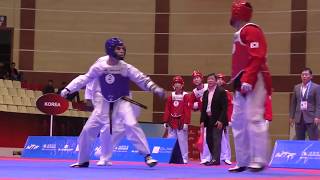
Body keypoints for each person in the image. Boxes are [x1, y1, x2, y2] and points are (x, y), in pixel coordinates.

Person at [60, 37, 165, 168]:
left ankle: (147, 155)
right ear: (110, 50)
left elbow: (141, 79)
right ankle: (83, 160)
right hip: (104, 103)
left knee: (131, 124)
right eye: (118, 48)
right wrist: (68, 88)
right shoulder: (100, 66)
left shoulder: (126, 67)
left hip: (122, 101)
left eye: (123, 48)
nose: (122, 51)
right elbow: (85, 78)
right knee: (87, 130)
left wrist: (154, 88)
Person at [228, 0, 272, 172]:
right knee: (237, 122)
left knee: (254, 118)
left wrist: (248, 78)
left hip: (254, 78)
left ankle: (259, 159)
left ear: (237, 14)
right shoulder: (241, 33)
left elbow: (257, 56)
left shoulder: (252, 30)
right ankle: (242, 160)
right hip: (241, 82)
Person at [200, 73, 228, 166]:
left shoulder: (221, 92)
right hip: (208, 119)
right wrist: (202, 121)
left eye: (212, 79)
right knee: (209, 139)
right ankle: (214, 157)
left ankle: (215, 160)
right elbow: (203, 108)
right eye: (208, 79)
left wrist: (221, 120)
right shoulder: (205, 93)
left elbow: (224, 108)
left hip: (217, 119)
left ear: (216, 81)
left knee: (216, 139)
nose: (210, 81)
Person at [163, 76, 190, 164]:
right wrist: (165, 121)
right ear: (173, 85)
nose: (177, 85)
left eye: (179, 83)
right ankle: (169, 157)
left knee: (182, 141)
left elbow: (187, 110)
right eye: (175, 83)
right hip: (171, 121)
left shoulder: (186, 96)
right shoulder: (171, 96)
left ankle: (184, 158)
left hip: (181, 121)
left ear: (182, 85)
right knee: (170, 140)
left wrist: (186, 122)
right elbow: (167, 108)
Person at [289, 68, 320, 140]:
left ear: (311, 76)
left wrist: (317, 116)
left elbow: (318, 103)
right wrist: (291, 116)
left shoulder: (316, 87)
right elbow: (293, 103)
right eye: (302, 75)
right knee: (299, 140)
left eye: (306, 75)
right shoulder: (296, 87)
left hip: (311, 118)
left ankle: (314, 151)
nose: (304, 76)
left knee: (313, 139)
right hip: (299, 117)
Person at [189, 70, 211, 164]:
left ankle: (220, 158)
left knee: (217, 138)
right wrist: (198, 104)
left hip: (214, 115)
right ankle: (204, 158)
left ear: (201, 78)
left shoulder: (209, 86)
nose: (196, 79)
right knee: (204, 137)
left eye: (197, 77)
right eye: (194, 78)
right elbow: (191, 105)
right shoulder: (194, 92)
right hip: (204, 116)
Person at [216, 73, 232, 165]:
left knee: (225, 138)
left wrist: (229, 119)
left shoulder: (227, 93)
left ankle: (226, 157)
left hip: (225, 119)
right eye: (218, 79)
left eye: (221, 79)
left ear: (224, 81)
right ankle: (216, 157)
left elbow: (230, 107)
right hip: (215, 118)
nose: (219, 81)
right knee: (215, 138)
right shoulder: (212, 92)